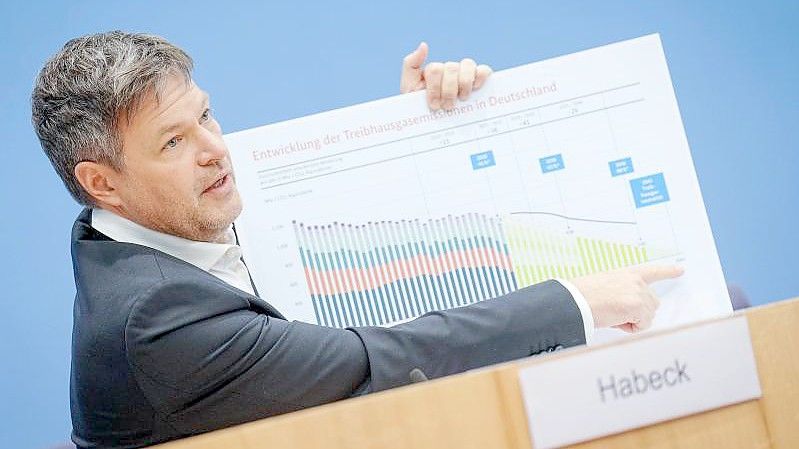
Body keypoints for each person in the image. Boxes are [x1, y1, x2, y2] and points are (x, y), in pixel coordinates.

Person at [32, 31, 683, 449]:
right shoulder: (154, 318)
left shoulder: (155, 235)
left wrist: (412, 135)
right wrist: (572, 299)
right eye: (174, 141)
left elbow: (334, 256)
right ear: (103, 183)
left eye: (204, 114)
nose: (213, 149)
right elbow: (365, 359)